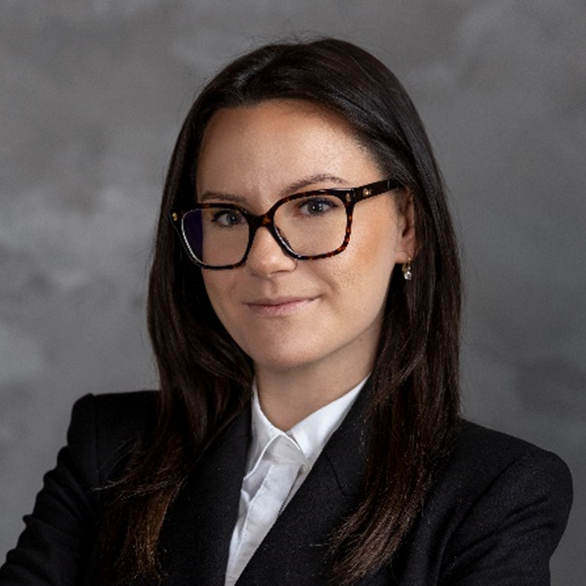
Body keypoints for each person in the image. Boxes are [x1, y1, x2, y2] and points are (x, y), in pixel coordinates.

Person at [0, 38, 572, 586]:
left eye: (316, 205)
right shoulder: (109, 450)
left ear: (407, 227)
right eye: (227, 216)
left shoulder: (493, 495)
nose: (266, 258)